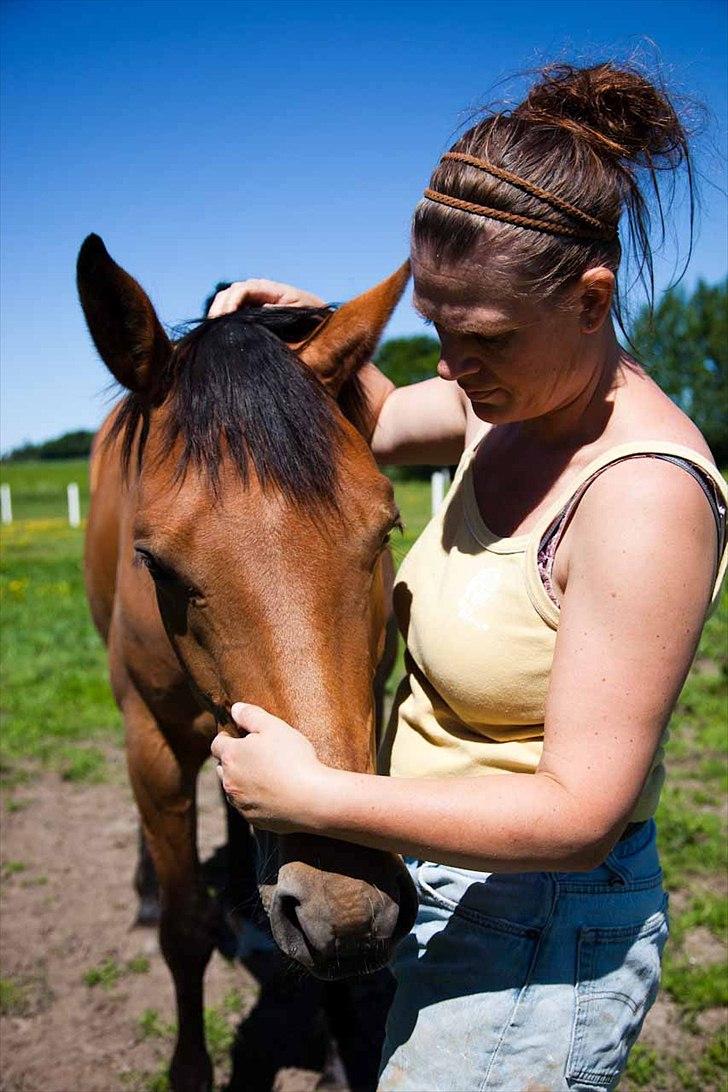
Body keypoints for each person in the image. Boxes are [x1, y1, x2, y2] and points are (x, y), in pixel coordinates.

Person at [209, 62, 728, 1091]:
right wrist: (312, 324)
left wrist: (317, 794)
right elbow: (387, 412)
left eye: (478, 335)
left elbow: (579, 816)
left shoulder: (639, 498)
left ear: (590, 301)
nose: (449, 366)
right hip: (445, 881)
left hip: (535, 931)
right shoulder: (505, 404)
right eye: (436, 328)